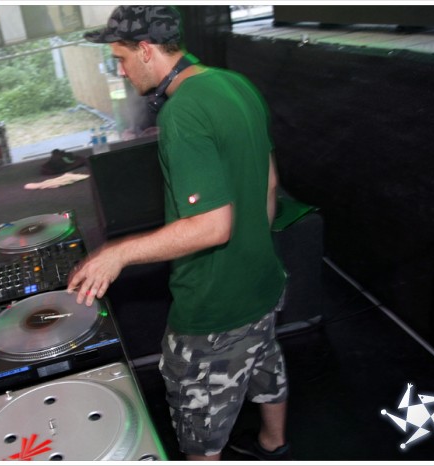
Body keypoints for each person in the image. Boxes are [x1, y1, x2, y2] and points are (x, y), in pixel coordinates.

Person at [68, 6, 290, 461]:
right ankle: (274, 443)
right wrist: (251, 248)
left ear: (146, 50)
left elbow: (211, 227)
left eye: (121, 58)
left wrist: (117, 254)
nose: (121, 70)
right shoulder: (235, 83)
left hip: (214, 308)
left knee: (199, 425)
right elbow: (269, 184)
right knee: (263, 360)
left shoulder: (182, 112)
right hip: (264, 281)